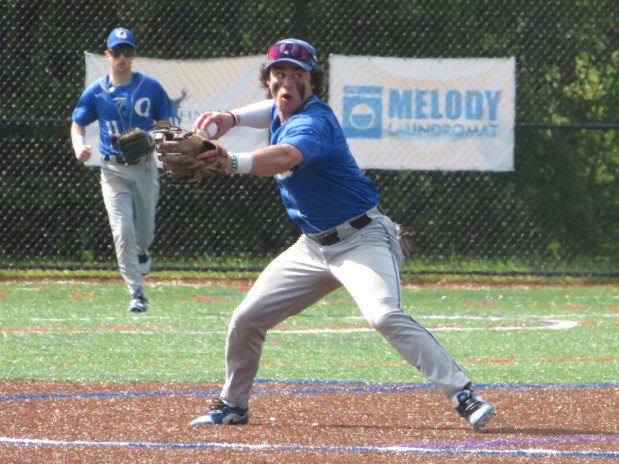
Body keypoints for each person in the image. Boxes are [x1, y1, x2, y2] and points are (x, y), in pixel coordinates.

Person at [189, 38, 495, 430]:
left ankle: (463, 394)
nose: (287, 82)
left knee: (384, 315)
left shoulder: (314, 121)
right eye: (278, 73)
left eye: (297, 74)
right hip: (312, 247)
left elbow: (285, 157)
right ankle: (233, 405)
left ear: (312, 81)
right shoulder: (282, 108)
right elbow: (271, 109)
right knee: (246, 318)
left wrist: (231, 161)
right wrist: (231, 118)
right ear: (267, 80)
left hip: (362, 239)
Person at [70, 28, 172, 312]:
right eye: (116, 52)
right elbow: (77, 121)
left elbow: (166, 123)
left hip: (144, 168)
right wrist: (78, 145)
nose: (122, 57)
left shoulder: (150, 87)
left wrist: (152, 137)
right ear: (108, 55)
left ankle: (143, 252)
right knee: (122, 229)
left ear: (134, 55)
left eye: (127, 51)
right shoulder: (97, 91)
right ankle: (136, 293)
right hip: (112, 170)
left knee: (144, 231)